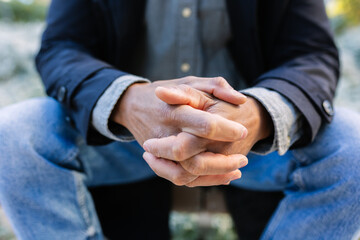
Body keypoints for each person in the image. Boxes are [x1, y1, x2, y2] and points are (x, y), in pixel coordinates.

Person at [0, 0, 359, 239]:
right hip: (125, 139)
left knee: (353, 146)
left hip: (249, 147)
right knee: (17, 132)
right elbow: (61, 47)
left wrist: (259, 113)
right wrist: (126, 100)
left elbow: (312, 54)